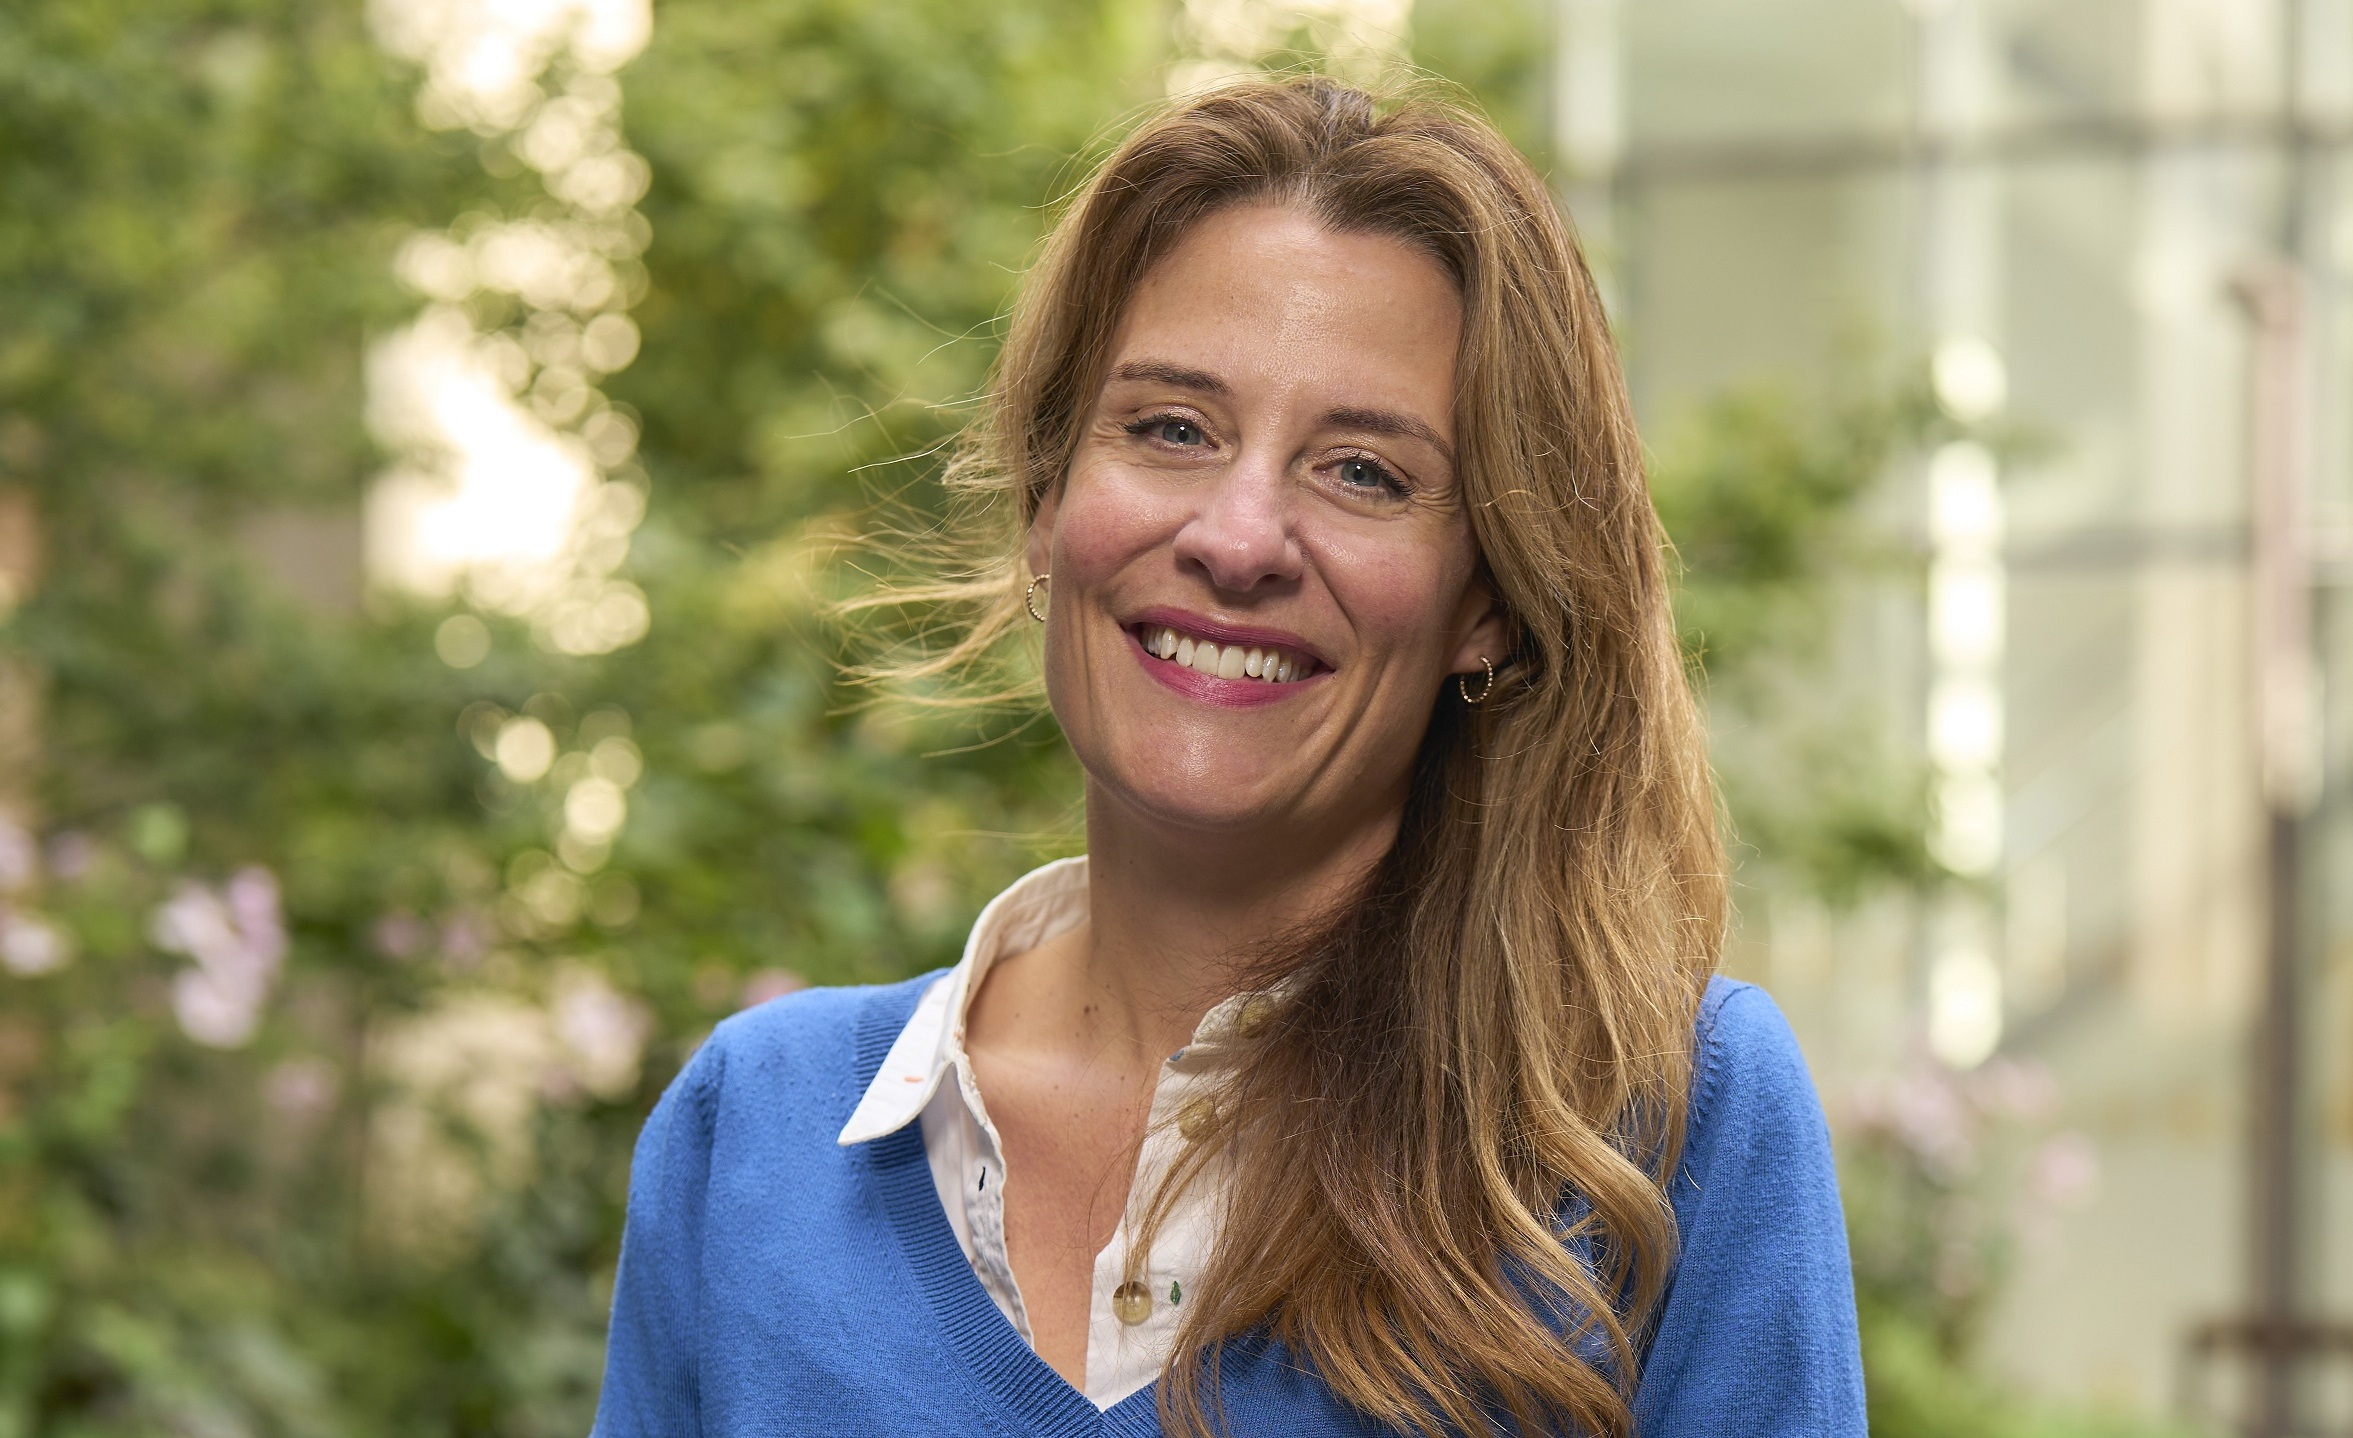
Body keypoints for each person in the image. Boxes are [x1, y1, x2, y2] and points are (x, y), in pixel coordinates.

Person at [591, 74, 1863, 1438]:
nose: (1239, 537)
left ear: (1485, 601)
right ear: (1046, 499)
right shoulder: (751, 1138)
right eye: (1172, 429)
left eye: (1364, 471)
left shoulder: (1656, 1132)